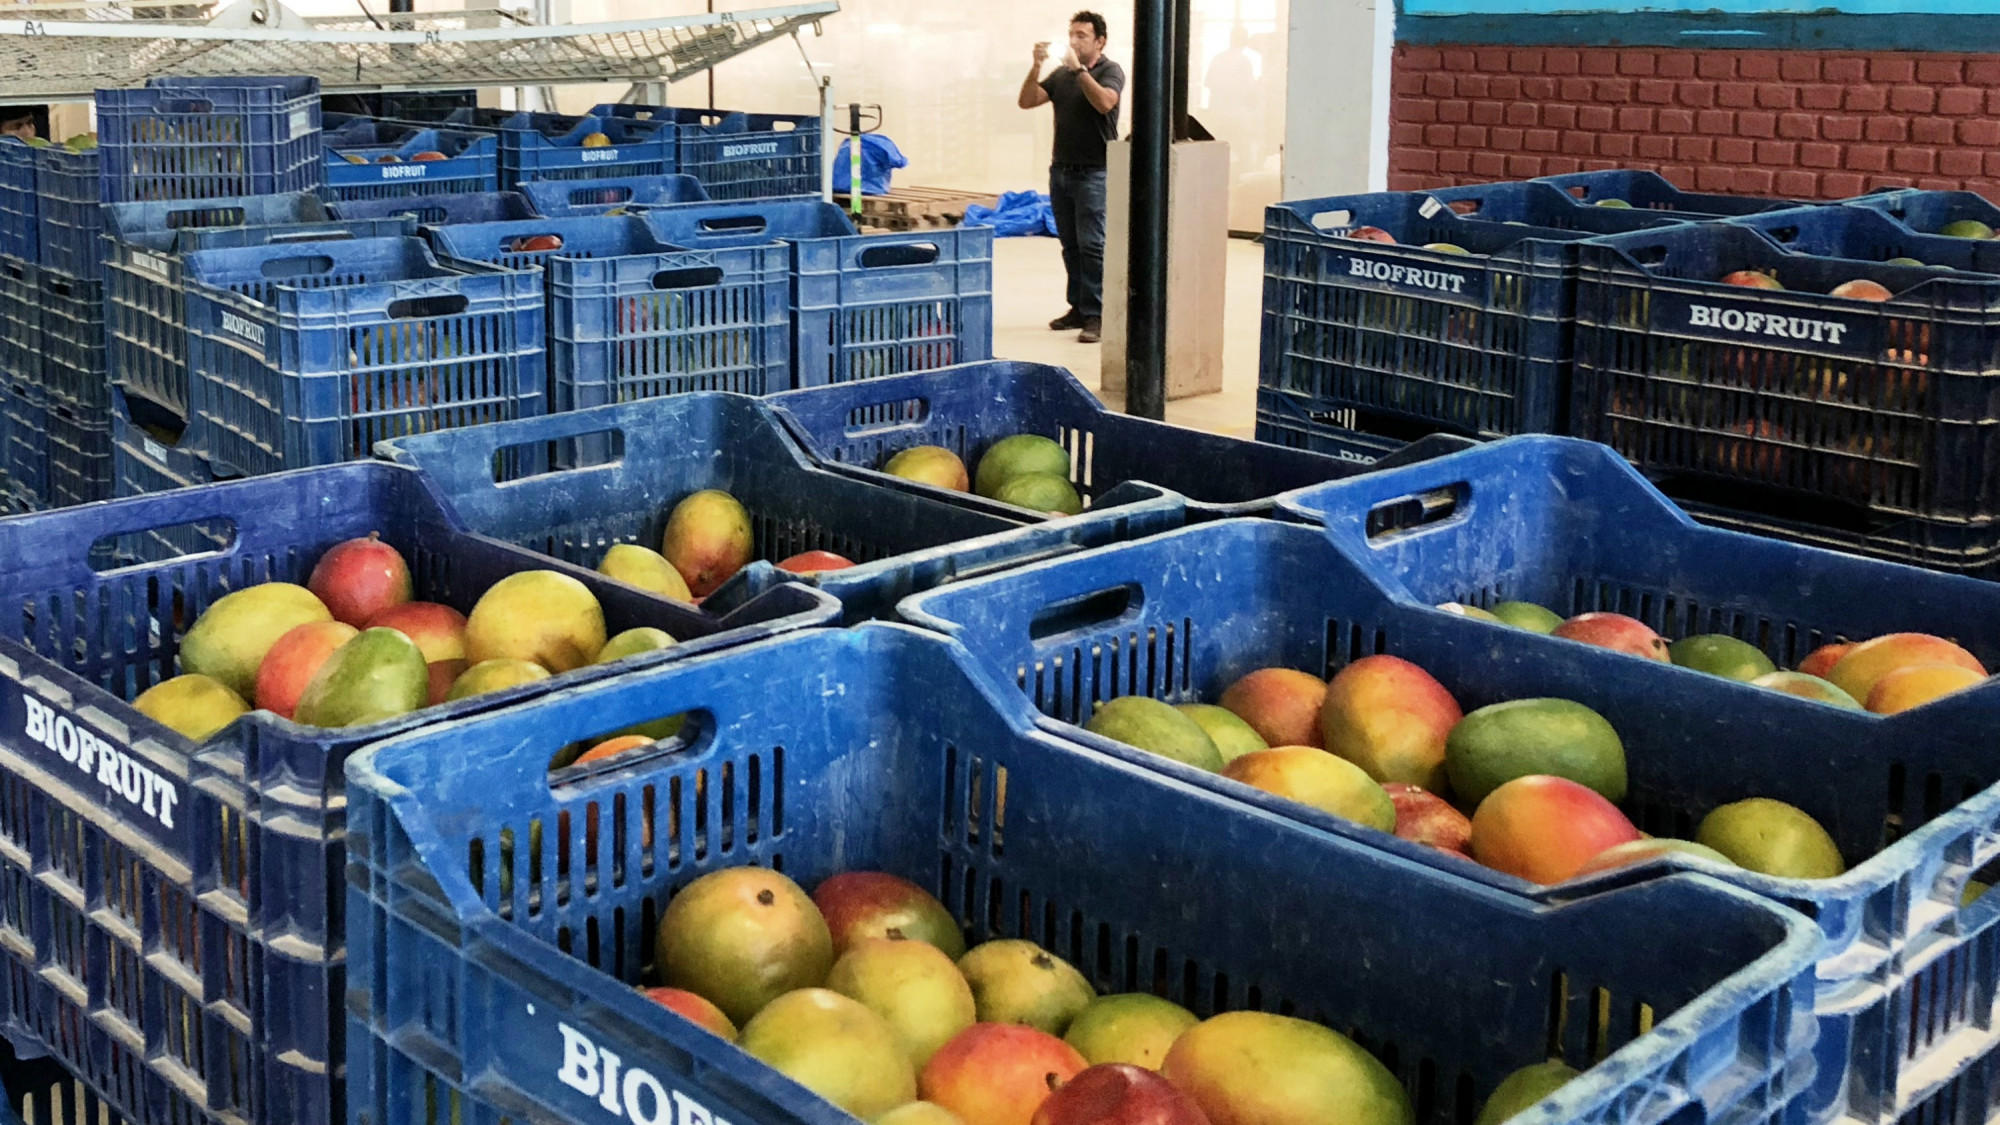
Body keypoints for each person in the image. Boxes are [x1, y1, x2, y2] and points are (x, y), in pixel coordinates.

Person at [1018, 11, 1125, 344]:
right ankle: (1078, 307)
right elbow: (1027, 101)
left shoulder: (1110, 71)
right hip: (1062, 171)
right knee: (1071, 246)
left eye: (1082, 35)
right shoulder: (1061, 75)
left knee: (1093, 246)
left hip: (1094, 173)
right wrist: (1036, 65)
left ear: (1100, 41)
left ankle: (1097, 314)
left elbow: (1105, 103)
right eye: (1072, 35)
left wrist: (1080, 71)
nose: (1074, 41)